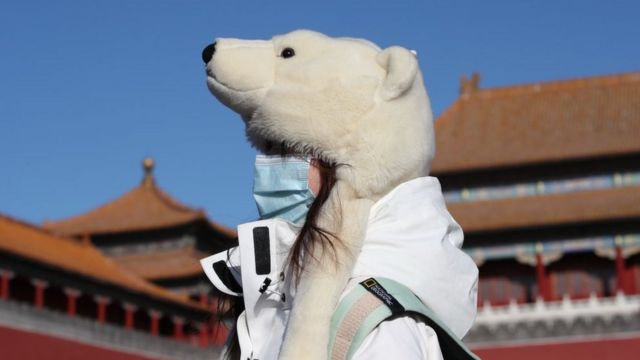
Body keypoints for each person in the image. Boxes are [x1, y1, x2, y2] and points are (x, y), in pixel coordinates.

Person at [201, 155, 479, 360]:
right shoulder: (260, 312)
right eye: (268, 148)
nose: (271, 165)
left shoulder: (377, 322)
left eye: (291, 149)